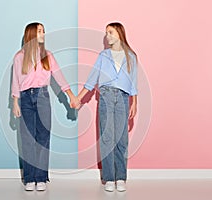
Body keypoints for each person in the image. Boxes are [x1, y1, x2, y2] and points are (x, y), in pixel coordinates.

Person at [11, 22, 79, 191]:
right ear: (31, 34)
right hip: (26, 98)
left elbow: (59, 77)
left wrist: (71, 96)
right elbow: (16, 81)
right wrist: (15, 103)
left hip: (43, 96)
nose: (43, 34)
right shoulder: (20, 56)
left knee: (43, 137)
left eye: (43, 31)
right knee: (27, 138)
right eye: (40, 31)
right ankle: (29, 178)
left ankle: (40, 177)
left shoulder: (47, 56)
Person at [77, 22, 138, 192]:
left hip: (124, 98)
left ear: (119, 33)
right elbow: (92, 79)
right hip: (106, 96)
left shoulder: (131, 56)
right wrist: (78, 99)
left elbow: (133, 82)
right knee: (107, 137)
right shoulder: (104, 55)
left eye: (110, 32)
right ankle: (109, 177)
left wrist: (134, 103)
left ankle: (121, 177)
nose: (107, 36)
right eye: (106, 33)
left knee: (121, 138)